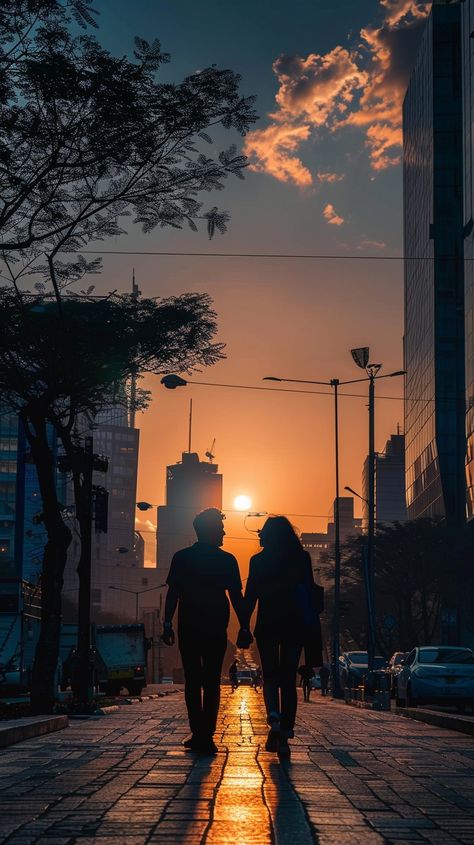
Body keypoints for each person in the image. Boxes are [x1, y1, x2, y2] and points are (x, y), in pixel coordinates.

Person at [161, 508, 251, 755]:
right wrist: (244, 626)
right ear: (209, 531)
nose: (224, 532)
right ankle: (205, 735)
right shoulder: (226, 560)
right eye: (220, 528)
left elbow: (173, 594)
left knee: (193, 681)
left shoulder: (182, 557)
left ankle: (199, 732)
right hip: (213, 629)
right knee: (210, 681)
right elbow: (236, 597)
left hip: (189, 627)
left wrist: (167, 623)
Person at [241, 516, 322, 757]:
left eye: (262, 532)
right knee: (288, 678)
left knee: (270, 676)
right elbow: (308, 593)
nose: (259, 536)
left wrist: (244, 626)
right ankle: (286, 730)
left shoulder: (258, 561)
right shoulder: (301, 558)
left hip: (268, 624)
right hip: (294, 625)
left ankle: (273, 718)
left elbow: (250, 597)